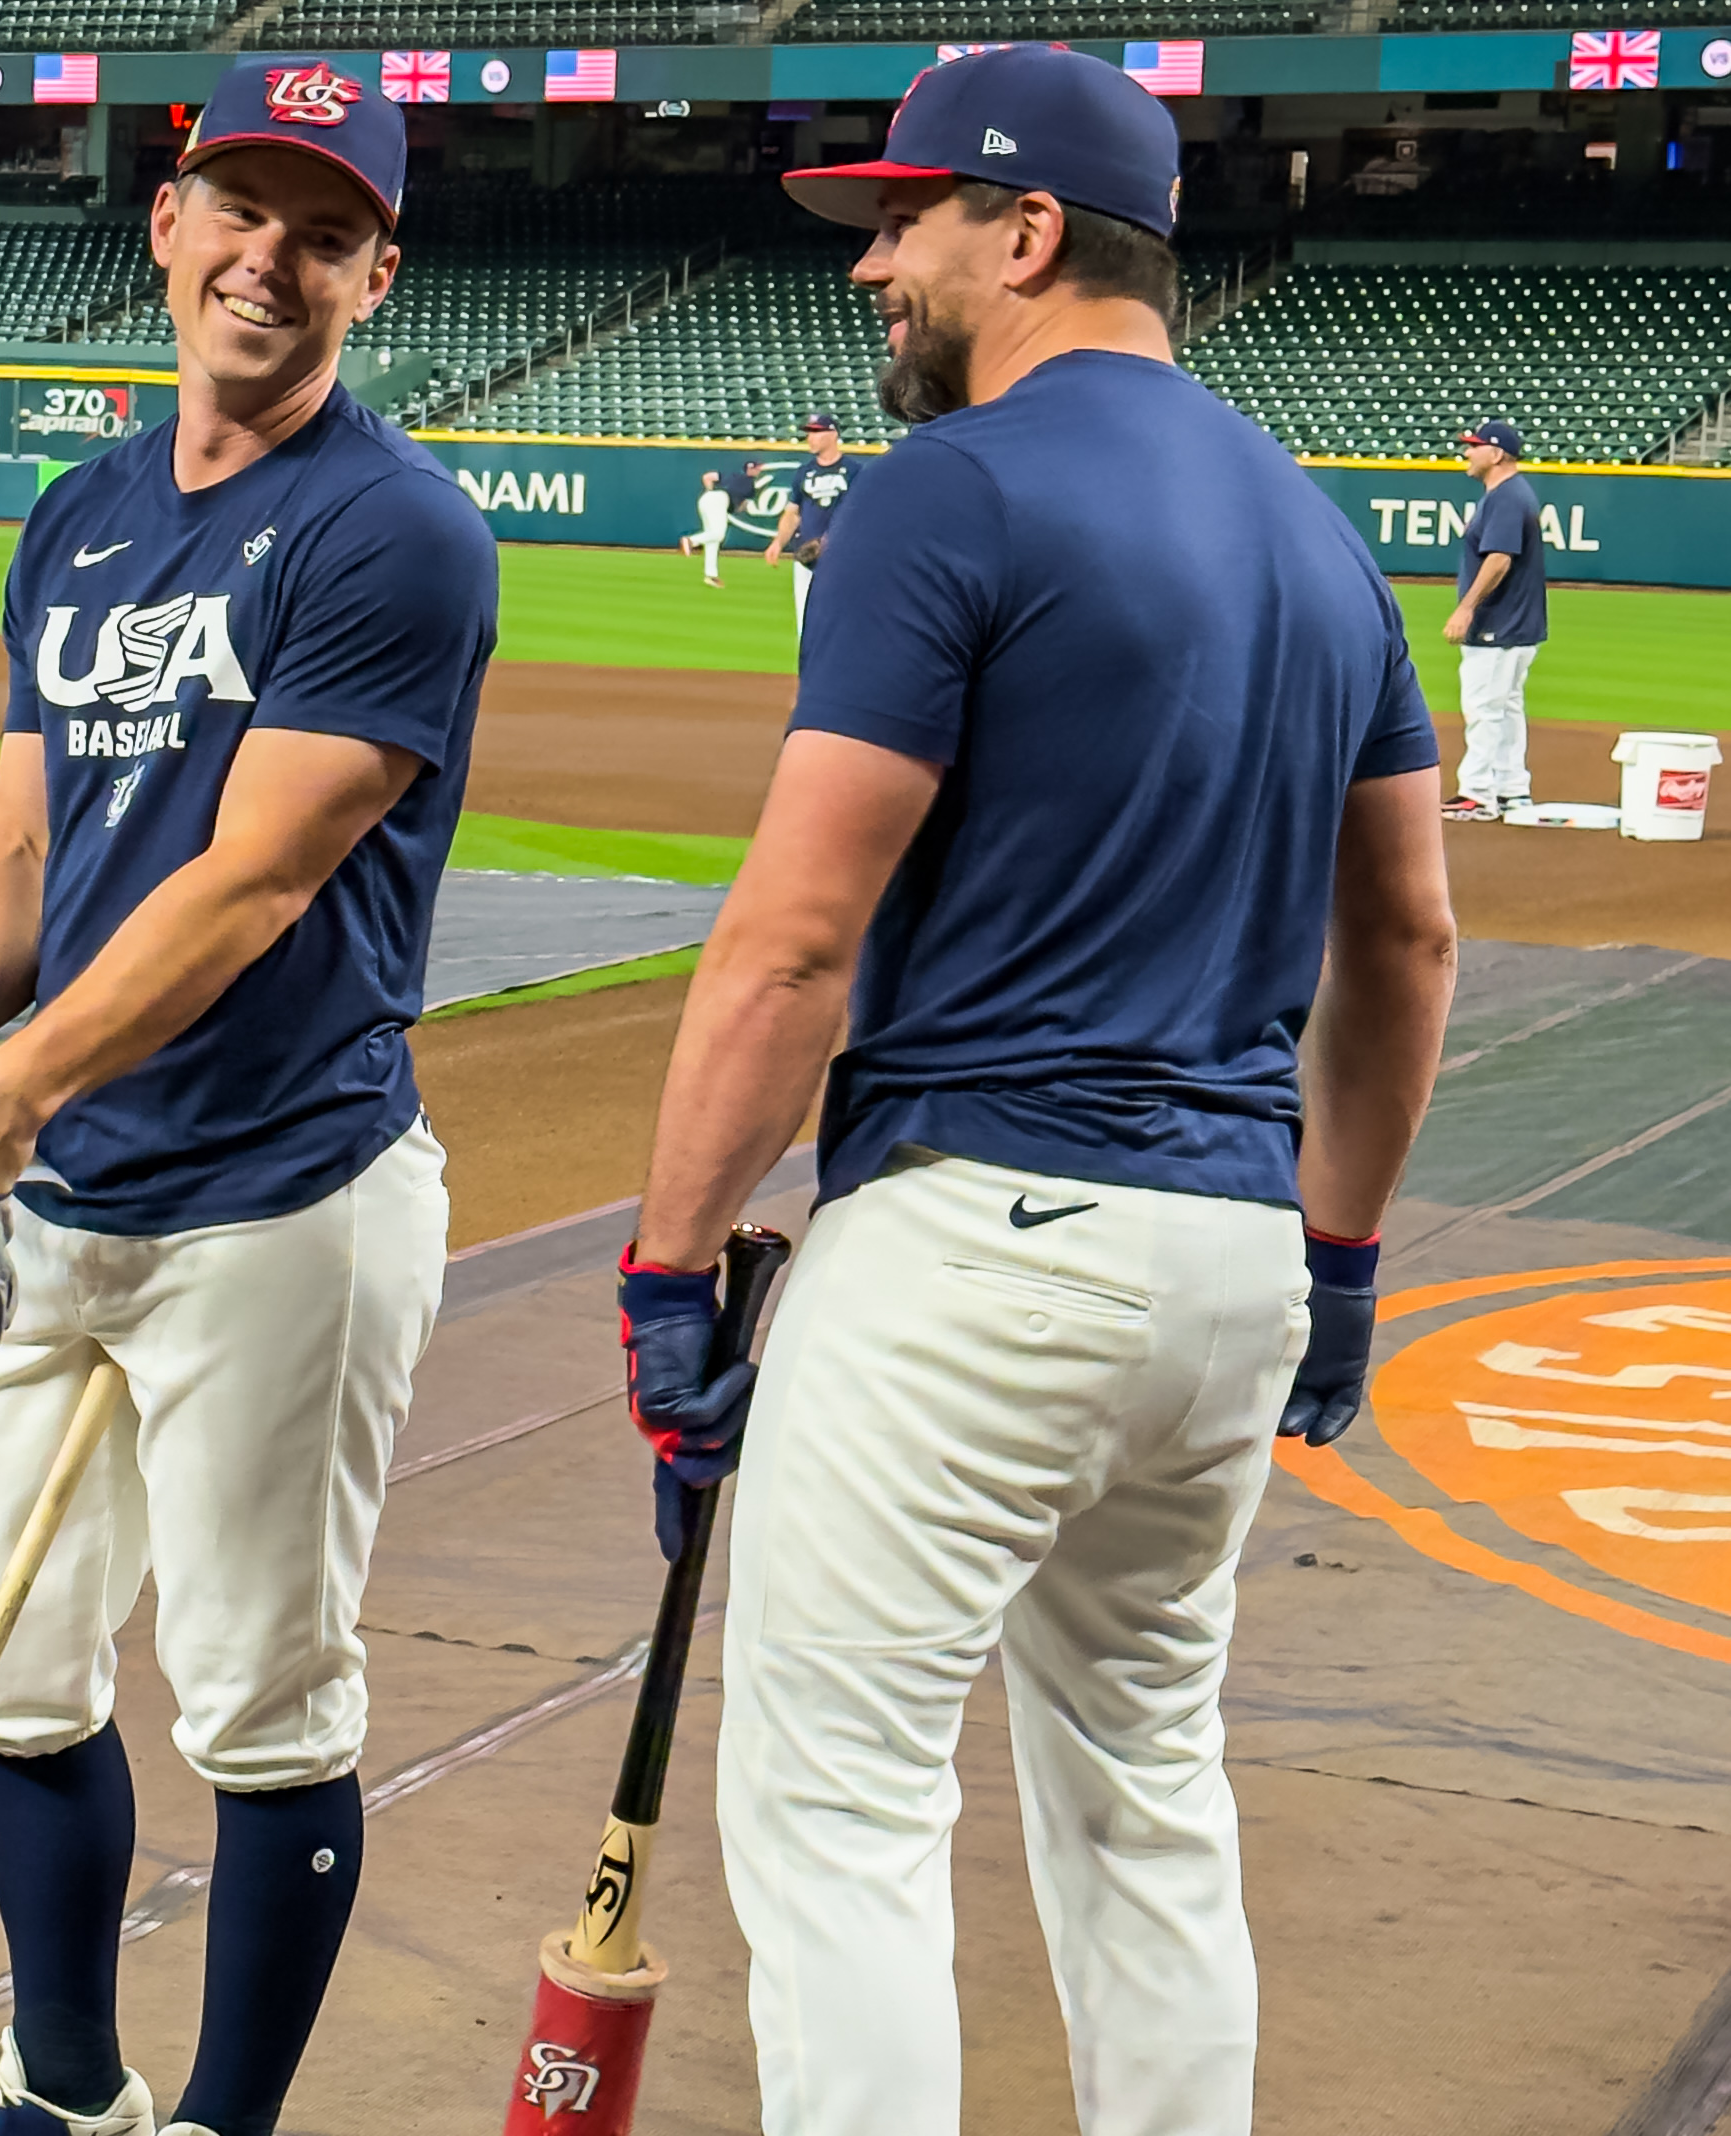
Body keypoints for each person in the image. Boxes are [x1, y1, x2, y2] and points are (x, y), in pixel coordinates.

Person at [613, 46, 1456, 2136]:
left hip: (974, 1257)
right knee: (1146, 1804)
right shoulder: (1316, 531)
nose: (868, 264)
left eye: (901, 220)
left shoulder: (947, 489)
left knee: (841, 1814)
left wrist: (661, 1274)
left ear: (1025, 229)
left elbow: (791, 945)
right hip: (1227, 1262)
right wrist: (1338, 1259)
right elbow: (1409, 937)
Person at [0, 53, 493, 2136]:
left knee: (260, 1698)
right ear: (167, 226)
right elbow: (27, 842)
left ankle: (222, 2127)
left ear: (376, 274)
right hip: (54, 1199)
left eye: (322, 231)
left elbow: (255, 876)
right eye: (239, 210)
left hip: (281, 1197)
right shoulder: (84, 516)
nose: (267, 261)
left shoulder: (392, 530)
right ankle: (66, 2094)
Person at [1441, 418, 1548, 823]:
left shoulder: (1505, 497)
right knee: (1505, 707)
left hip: (1499, 623)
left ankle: (1477, 793)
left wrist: (1466, 607)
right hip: (1516, 623)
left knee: (1485, 706)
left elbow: (1500, 558)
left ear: (1497, 453)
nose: (1466, 452)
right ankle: (1511, 788)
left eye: (1473, 445)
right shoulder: (1511, 494)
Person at [762, 411, 859, 634]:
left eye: (816, 432)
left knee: (842, 618)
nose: (810, 438)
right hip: (806, 558)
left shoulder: (854, 471)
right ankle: (808, 668)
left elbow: (856, 513)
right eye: (809, 433)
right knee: (804, 623)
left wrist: (829, 540)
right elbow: (792, 513)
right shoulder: (804, 473)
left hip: (841, 557)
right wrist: (778, 542)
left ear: (833, 434)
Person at [681, 466, 735, 585]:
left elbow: (707, 478)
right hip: (716, 500)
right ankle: (691, 540)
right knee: (718, 534)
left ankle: (711, 576)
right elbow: (707, 477)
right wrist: (712, 493)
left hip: (708, 500)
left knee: (713, 539)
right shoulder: (734, 477)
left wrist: (709, 492)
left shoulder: (744, 484)